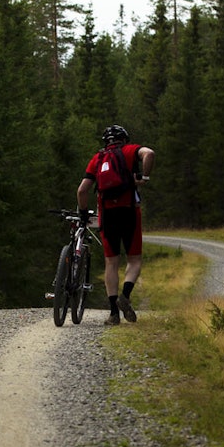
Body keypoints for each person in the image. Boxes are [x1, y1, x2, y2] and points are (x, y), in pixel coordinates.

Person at [77, 124, 155, 326]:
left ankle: (113, 313)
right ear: (124, 139)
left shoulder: (98, 158)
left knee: (111, 263)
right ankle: (125, 296)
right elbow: (149, 153)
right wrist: (144, 177)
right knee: (134, 260)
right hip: (129, 212)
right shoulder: (130, 150)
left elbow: (82, 191)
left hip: (107, 214)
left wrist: (83, 213)